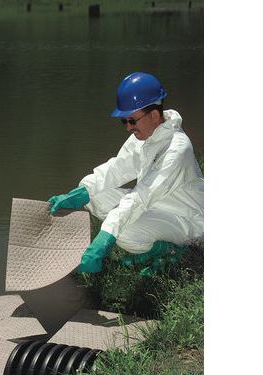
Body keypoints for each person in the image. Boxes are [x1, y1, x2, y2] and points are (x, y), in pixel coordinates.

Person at [47, 71, 204, 274]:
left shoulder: (176, 150)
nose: (128, 127)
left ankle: (176, 251)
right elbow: (117, 168)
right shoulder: (145, 136)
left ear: (154, 116)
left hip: (188, 220)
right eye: (124, 121)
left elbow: (141, 197)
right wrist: (81, 192)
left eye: (132, 121)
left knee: (122, 232)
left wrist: (104, 240)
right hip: (158, 207)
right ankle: (157, 247)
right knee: (93, 192)